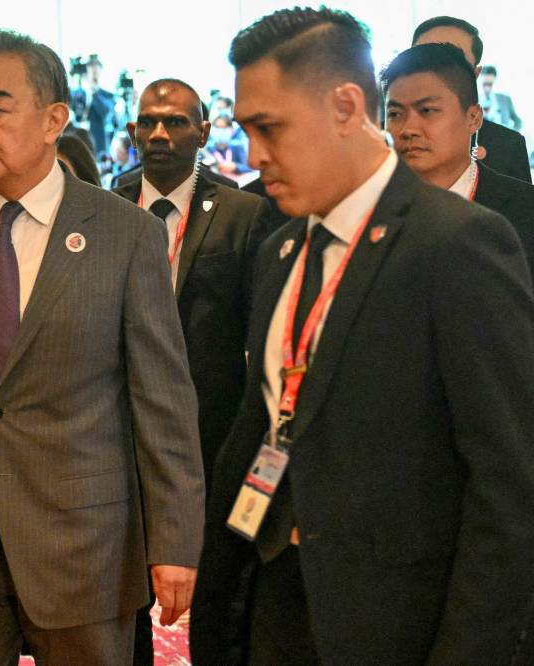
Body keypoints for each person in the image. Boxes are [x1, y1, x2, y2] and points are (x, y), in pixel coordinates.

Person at [190, 8, 534, 664]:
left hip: (393, 626)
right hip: (270, 602)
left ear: (347, 105)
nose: (255, 156)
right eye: (245, 130)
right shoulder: (282, 249)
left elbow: (509, 486)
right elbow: (263, 427)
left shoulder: (457, 242)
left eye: (272, 129)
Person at [0, 29, 205, 665]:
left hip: (84, 547)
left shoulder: (125, 234)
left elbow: (162, 402)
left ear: (54, 120)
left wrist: (176, 542)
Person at [114, 77, 270, 665]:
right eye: (149, 121)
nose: (159, 133)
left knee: (209, 589)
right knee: (119, 587)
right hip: (119, 425)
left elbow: (259, 331)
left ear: (204, 131)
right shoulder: (104, 203)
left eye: (176, 121)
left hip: (211, 428)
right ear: (131, 131)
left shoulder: (243, 213)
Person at [383, 43, 534, 277]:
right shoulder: (371, 208)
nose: (408, 129)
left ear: (473, 118)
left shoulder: (525, 207)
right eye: (394, 114)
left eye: (427, 111)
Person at [412, 16, 531, 182]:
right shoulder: (382, 143)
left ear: (475, 74)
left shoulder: (508, 146)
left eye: (452, 58)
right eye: (425, 56)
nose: (435, 68)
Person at [479, 65, 522, 130]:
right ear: (480, 81)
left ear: (495, 81)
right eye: (485, 84)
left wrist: (512, 133)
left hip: (503, 137)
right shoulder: (474, 100)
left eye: (490, 84)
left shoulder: (505, 99)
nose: (487, 88)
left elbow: (518, 121)